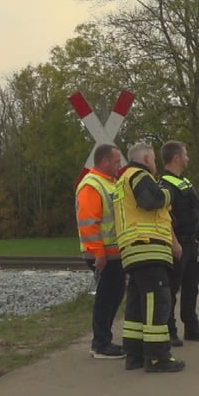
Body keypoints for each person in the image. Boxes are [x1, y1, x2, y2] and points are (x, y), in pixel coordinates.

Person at [114, 142, 185, 373]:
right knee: (158, 301)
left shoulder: (123, 180)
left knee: (136, 305)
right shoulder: (139, 175)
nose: (155, 164)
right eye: (153, 160)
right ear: (145, 159)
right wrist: (168, 193)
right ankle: (157, 357)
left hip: (133, 248)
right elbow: (151, 200)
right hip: (147, 246)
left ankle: (134, 354)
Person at [75, 143, 126, 359]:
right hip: (103, 254)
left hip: (113, 252)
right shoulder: (92, 185)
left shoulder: (110, 182)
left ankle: (103, 340)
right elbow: (88, 223)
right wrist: (98, 253)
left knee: (113, 295)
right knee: (106, 298)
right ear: (104, 162)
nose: (120, 165)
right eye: (116, 161)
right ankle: (101, 344)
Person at [159, 140, 199, 346]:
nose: (187, 158)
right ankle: (170, 330)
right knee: (171, 289)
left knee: (191, 287)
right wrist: (174, 242)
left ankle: (191, 326)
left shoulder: (184, 182)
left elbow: (191, 210)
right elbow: (165, 216)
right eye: (185, 154)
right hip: (178, 242)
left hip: (192, 241)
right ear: (176, 158)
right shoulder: (164, 185)